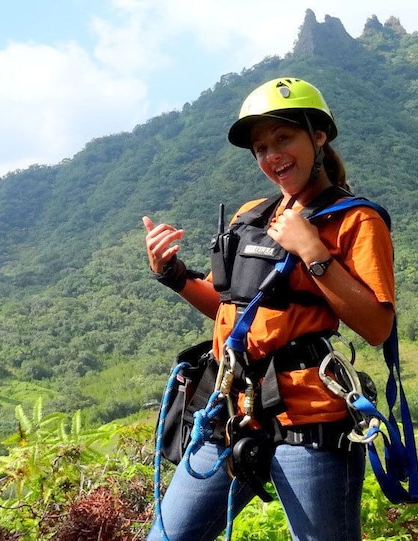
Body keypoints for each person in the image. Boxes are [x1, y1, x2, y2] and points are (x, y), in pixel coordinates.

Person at [142, 77, 395, 540]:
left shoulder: (356, 219)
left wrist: (314, 254)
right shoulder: (251, 216)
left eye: (284, 139)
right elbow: (233, 310)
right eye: (260, 148)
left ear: (318, 137)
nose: (272, 156)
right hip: (229, 408)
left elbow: (377, 325)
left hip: (308, 416)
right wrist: (174, 274)